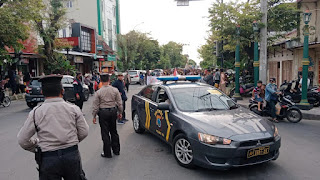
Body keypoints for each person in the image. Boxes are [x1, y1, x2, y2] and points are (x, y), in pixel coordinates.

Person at [17, 75, 89, 180]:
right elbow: (84, 132)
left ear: (42, 92)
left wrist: (38, 146)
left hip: (48, 159)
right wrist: (70, 141)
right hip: (71, 156)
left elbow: (22, 140)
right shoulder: (73, 109)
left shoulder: (36, 112)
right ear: (62, 91)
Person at [92, 73, 123, 158]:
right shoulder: (115, 90)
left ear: (101, 81)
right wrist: (120, 112)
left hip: (103, 113)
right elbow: (120, 103)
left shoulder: (98, 92)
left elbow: (95, 106)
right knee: (114, 131)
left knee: (105, 133)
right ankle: (116, 150)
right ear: (109, 80)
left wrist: (94, 116)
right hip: (113, 111)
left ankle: (107, 153)